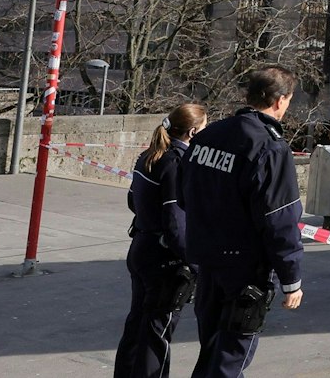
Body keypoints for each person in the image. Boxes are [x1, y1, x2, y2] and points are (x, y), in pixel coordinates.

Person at [181, 68, 305, 378]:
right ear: (279, 101)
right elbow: (280, 220)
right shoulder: (270, 146)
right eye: (289, 100)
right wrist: (292, 278)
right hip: (244, 269)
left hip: (207, 261)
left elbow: (185, 195)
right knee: (231, 359)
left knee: (212, 352)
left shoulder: (209, 135)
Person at [115, 102, 208, 378]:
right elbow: (175, 222)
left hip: (141, 247)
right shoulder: (176, 164)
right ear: (193, 132)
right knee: (158, 332)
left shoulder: (149, 156)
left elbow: (134, 200)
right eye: (204, 128)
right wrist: (195, 261)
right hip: (164, 261)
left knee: (137, 325)